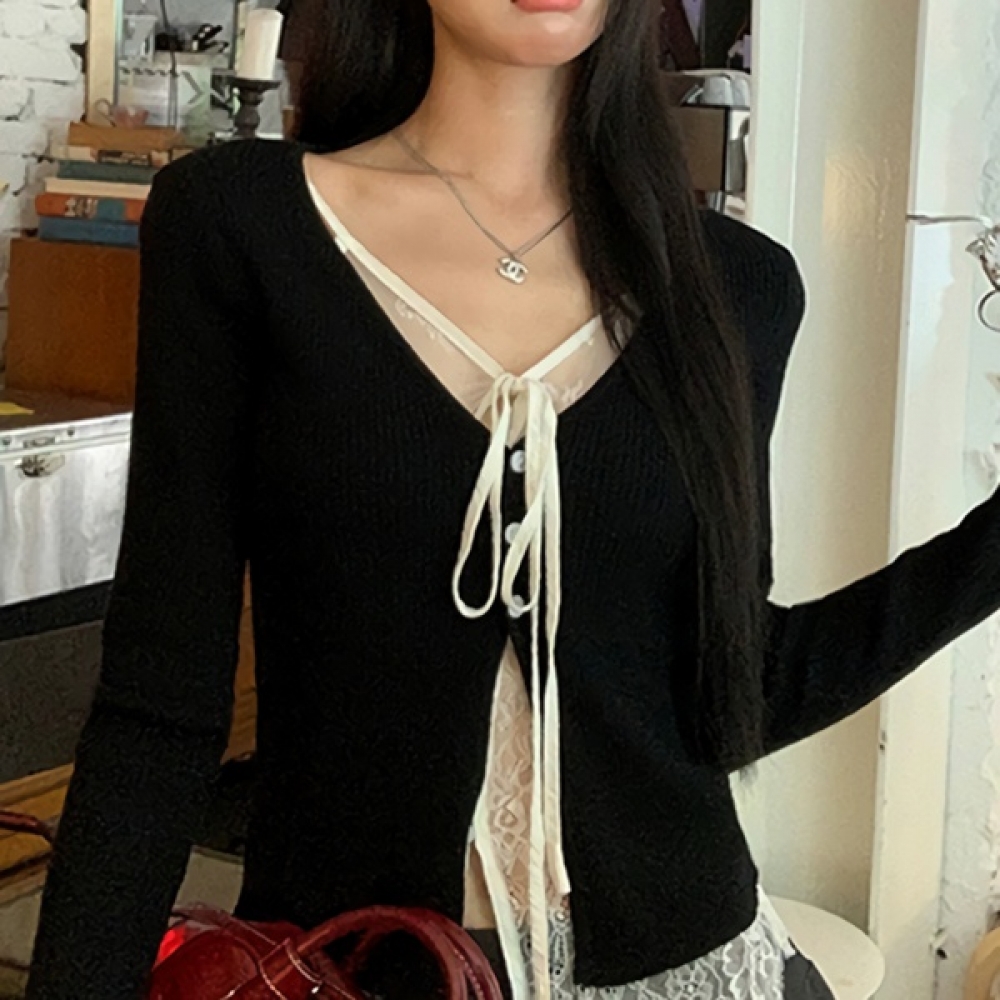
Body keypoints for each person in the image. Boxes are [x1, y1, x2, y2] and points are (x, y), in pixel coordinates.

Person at [22, 1, 1000, 998]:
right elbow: (157, 708)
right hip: (349, 968)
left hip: (690, 965)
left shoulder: (738, 286)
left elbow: (735, 690)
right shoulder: (243, 224)